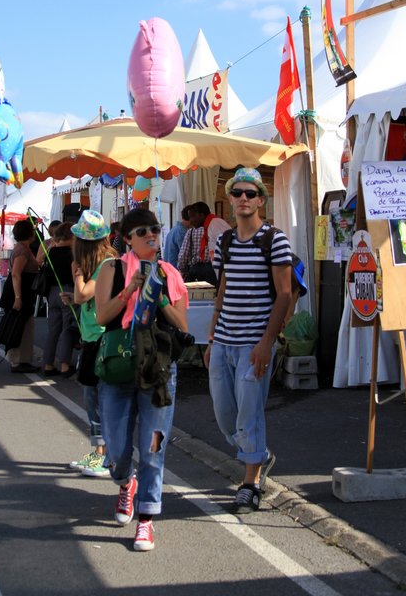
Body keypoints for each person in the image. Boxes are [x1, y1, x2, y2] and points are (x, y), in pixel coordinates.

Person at [95, 208, 188, 552]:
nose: (152, 234)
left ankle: (147, 519)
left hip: (159, 368)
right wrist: (129, 291)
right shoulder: (112, 268)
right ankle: (125, 482)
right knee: (116, 446)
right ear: (129, 238)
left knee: (152, 448)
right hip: (120, 365)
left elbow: (182, 325)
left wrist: (160, 296)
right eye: (143, 231)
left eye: (156, 229)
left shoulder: (169, 272)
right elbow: (102, 315)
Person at [205, 168, 292, 514]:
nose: (243, 198)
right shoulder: (224, 242)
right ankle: (260, 454)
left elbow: (284, 295)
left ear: (261, 200)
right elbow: (221, 293)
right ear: (229, 199)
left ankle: (251, 482)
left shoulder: (275, 239)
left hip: (253, 344)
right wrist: (212, 338)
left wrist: (266, 342)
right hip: (223, 341)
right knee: (226, 417)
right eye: (237, 193)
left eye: (250, 194)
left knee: (249, 414)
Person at [70, 210, 117, 477]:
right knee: (93, 398)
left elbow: (83, 294)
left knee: (98, 399)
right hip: (92, 337)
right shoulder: (101, 263)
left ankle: (104, 454)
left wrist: (77, 275)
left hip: (102, 338)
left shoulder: (107, 263)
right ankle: (100, 451)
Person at [42, 222, 80, 376]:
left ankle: (47, 363)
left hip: (52, 293)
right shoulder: (73, 253)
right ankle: (64, 364)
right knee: (67, 329)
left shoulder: (51, 252)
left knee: (53, 330)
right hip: (68, 291)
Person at [5, 219, 41, 374]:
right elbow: (16, 274)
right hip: (21, 292)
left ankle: (22, 359)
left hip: (24, 292)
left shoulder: (22, 248)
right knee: (21, 327)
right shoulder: (22, 250)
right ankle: (18, 360)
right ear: (29, 234)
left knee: (25, 326)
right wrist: (18, 297)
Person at [183, 201, 231, 286]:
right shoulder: (210, 225)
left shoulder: (215, 224)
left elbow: (227, 250)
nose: (190, 221)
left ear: (201, 215)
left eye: (192, 217)